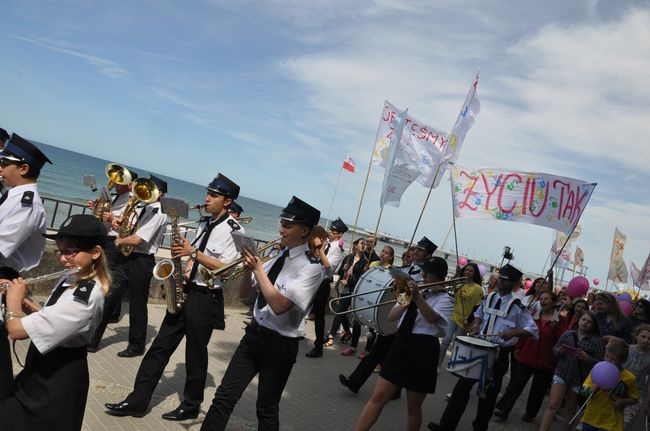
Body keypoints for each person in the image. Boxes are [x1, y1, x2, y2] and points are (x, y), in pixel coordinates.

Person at [104, 174, 243, 420]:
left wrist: (194, 252)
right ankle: (137, 400)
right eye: (207, 193)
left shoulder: (234, 230)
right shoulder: (204, 223)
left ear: (228, 201)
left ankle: (191, 405)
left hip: (206, 297)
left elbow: (227, 268)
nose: (207, 198)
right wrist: (184, 261)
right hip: (185, 290)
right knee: (158, 348)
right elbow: (193, 257)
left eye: (214, 195)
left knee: (195, 355)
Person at [199, 196, 323, 431]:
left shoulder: (311, 268)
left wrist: (257, 268)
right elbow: (246, 296)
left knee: (266, 409)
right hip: (253, 336)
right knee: (224, 397)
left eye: (288, 225)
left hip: (280, 346)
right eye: (281, 223)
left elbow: (279, 305)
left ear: (304, 230)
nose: (281, 229)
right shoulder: (276, 256)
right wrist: (248, 271)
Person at [0, 214, 110, 430]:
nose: (62, 258)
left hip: (59, 378)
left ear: (95, 253)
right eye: (60, 250)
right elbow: (53, 315)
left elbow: (15, 331)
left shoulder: (84, 297)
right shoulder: (73, 276)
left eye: (71, 251)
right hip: (41, 368)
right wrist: (25, 302)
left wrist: (12, 303)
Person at [428, 263, 538, 431]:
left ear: (515, 284)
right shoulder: (490, 298)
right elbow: (479, 314)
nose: (501, 282)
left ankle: (480, 428)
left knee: (488, 396)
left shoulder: (518, 307)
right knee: (461, 389)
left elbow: (533, 331)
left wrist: (513, 332)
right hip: (478, 349)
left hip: (499, 354)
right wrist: (476, 324)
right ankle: (446, 426)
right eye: (500, 278)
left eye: (506, 280)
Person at [354, 257, 454, 431]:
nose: (424, 276)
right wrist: (406, 298)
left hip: (424, 349)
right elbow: (392, 316)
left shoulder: (446, 299)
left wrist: (417, 297)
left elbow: (431, 318)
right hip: (401, 344)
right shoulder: (410, 290)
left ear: (441, 278)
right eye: (424, 272)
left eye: (429, 274)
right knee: (378, 397)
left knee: (413, 408)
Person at [91, 174, 169, 357]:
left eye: (151, 189)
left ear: (160, 194)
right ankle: (92, 340)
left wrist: (118, 242)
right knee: (109, 297)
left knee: (137, 306)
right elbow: (130, 230)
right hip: (127, 259)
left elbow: (138, 238)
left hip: (142, 262)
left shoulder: (159, 212)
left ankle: (136, 345)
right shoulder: (145, 208)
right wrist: (118, 223)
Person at [0, 133, 52, 400]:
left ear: (23, 168)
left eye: (4, 163)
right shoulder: (11, 195)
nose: (0, 167)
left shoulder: (26, 204)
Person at [494, 290, 567, 422]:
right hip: (527, 356)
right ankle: (504, 409)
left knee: (537, 390)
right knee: (516, 384)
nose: (543, 301)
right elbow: (524, 332)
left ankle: (530, 413)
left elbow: (564, 340)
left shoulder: (559, 321)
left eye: (547, 299)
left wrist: (556, 328)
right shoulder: (532, 316)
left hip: (546, 361)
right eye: (542, 299)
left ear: (554, 302)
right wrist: (518, 347)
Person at [86, 169, 139, 335]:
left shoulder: (133, 200)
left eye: (120, 182)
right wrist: (97, 209)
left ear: (129, 185)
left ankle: (99, 312)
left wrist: (111, 218)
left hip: (115, 242)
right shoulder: (116, 197)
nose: (115, 184)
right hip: (106, 237)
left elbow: (128, 224)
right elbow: (103, 217)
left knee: (105, 279)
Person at [539, 310, 604, 431]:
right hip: (562, 373)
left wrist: (587, 358)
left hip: (580, 379)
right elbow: (555, 350)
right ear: (579, 320)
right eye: (584, 319)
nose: (585, 323)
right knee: (553, 405)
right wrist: (560, 351)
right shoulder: (568, 334)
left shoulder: (596, 342)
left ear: (593, 326)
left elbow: (601, 364)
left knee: (570, 409)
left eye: (589, 322)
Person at [305, 217, 347, 358]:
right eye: (331, 230)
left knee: (319, 316)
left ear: (340, 234)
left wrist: (319, 248)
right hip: (313, 278)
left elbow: (328, 266)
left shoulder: (338, 249)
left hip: (323, 282)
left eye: (334, 231)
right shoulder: (327, 243)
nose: (330, 232)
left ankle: (318, 347)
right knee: (301, 307)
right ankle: (296, 332)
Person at [580, 337, 638, 431]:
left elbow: (635, 399)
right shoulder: (598, 369)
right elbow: (583, 390)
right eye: (606, 356)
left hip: (611, 423)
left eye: (613, 359)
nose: (608, 361)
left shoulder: (629, 378)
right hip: (590, 418)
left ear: (622, 360)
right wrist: (589, 390)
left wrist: (623, 402)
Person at [438, 262, 484, 370]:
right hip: (453, 316)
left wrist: (469, 320)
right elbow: (446, 286)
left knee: (457, 345)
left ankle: (454, 365)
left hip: (465, 321)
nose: (467, 272)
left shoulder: (478, 289)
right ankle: (437, 365)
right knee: (446, 340)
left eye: (470, 270)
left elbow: (477, 308)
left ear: (475, 273)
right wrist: (457, 274)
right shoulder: (459, 283)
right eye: (466, 270)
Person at [325, 237, 367, 347]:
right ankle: (348, 332)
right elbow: (339, 272)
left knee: (339, 311)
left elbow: (361, 280)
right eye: (361, 243)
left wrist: (348, 283)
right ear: (356, 245)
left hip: (353, 290)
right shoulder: (349, 257)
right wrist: (343, 268)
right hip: (343, 288)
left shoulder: (365, 262)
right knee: (342, 311)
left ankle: (331, 336)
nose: (363, 245)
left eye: (365, 244)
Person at [622, 324, 650, 430]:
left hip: (635, 395)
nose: (646, 340)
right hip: (618, 390)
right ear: (636, 336)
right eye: (643, 337)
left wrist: (647, 402)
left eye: (649, 338)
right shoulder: (627, 349)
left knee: (626, 423)